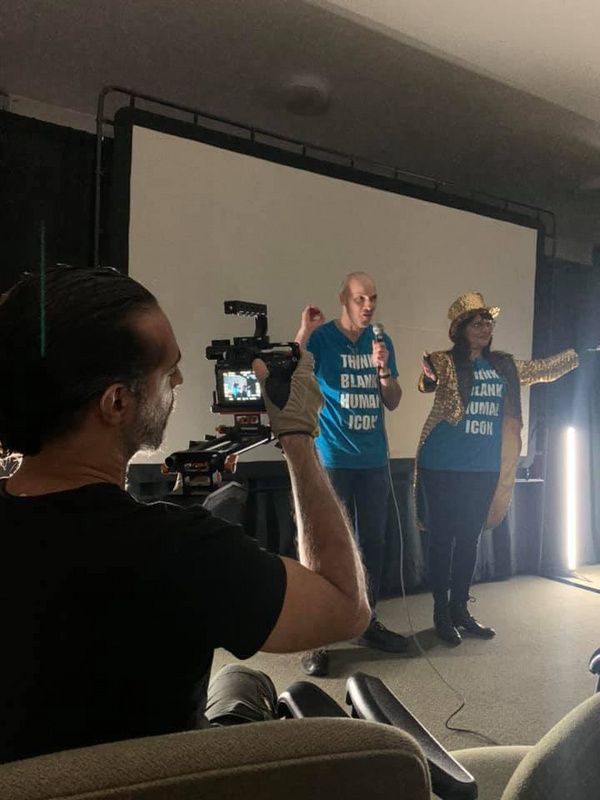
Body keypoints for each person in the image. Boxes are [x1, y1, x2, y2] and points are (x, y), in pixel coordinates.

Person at [0, 266, 370, 764]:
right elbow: (346, 607)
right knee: (246, 682)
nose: (177, 380)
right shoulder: (183, 554)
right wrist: (299, 437)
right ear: (117, 402)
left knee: (240, 680)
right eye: (166, 370)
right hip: (164, 778)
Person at [416, 291, 581, 645]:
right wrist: (428, 375)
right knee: (443, 540)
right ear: (460, 329)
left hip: (484, 467)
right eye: (476, 322)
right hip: (442, 464)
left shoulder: (503, 365)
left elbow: (542, 370)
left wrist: (578, 355)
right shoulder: (444, 361)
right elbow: (427, 380)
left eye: (488, 321)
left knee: (469, 540)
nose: (485, 327)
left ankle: (460, 609)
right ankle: (441, 613)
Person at [295, 271, 407, 678]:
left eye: (373, 298)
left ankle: (365, 623)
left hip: (374, 461)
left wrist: (383, 371)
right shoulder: (324, 340)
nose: (368, 306)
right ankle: (319, 638)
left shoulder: (382, 342)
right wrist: (304, 331)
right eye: (361, 299)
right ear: (345, 298)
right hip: (334, 459)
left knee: (372, 545)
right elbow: (288, 371)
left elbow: (392, 400)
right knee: (327, 548)